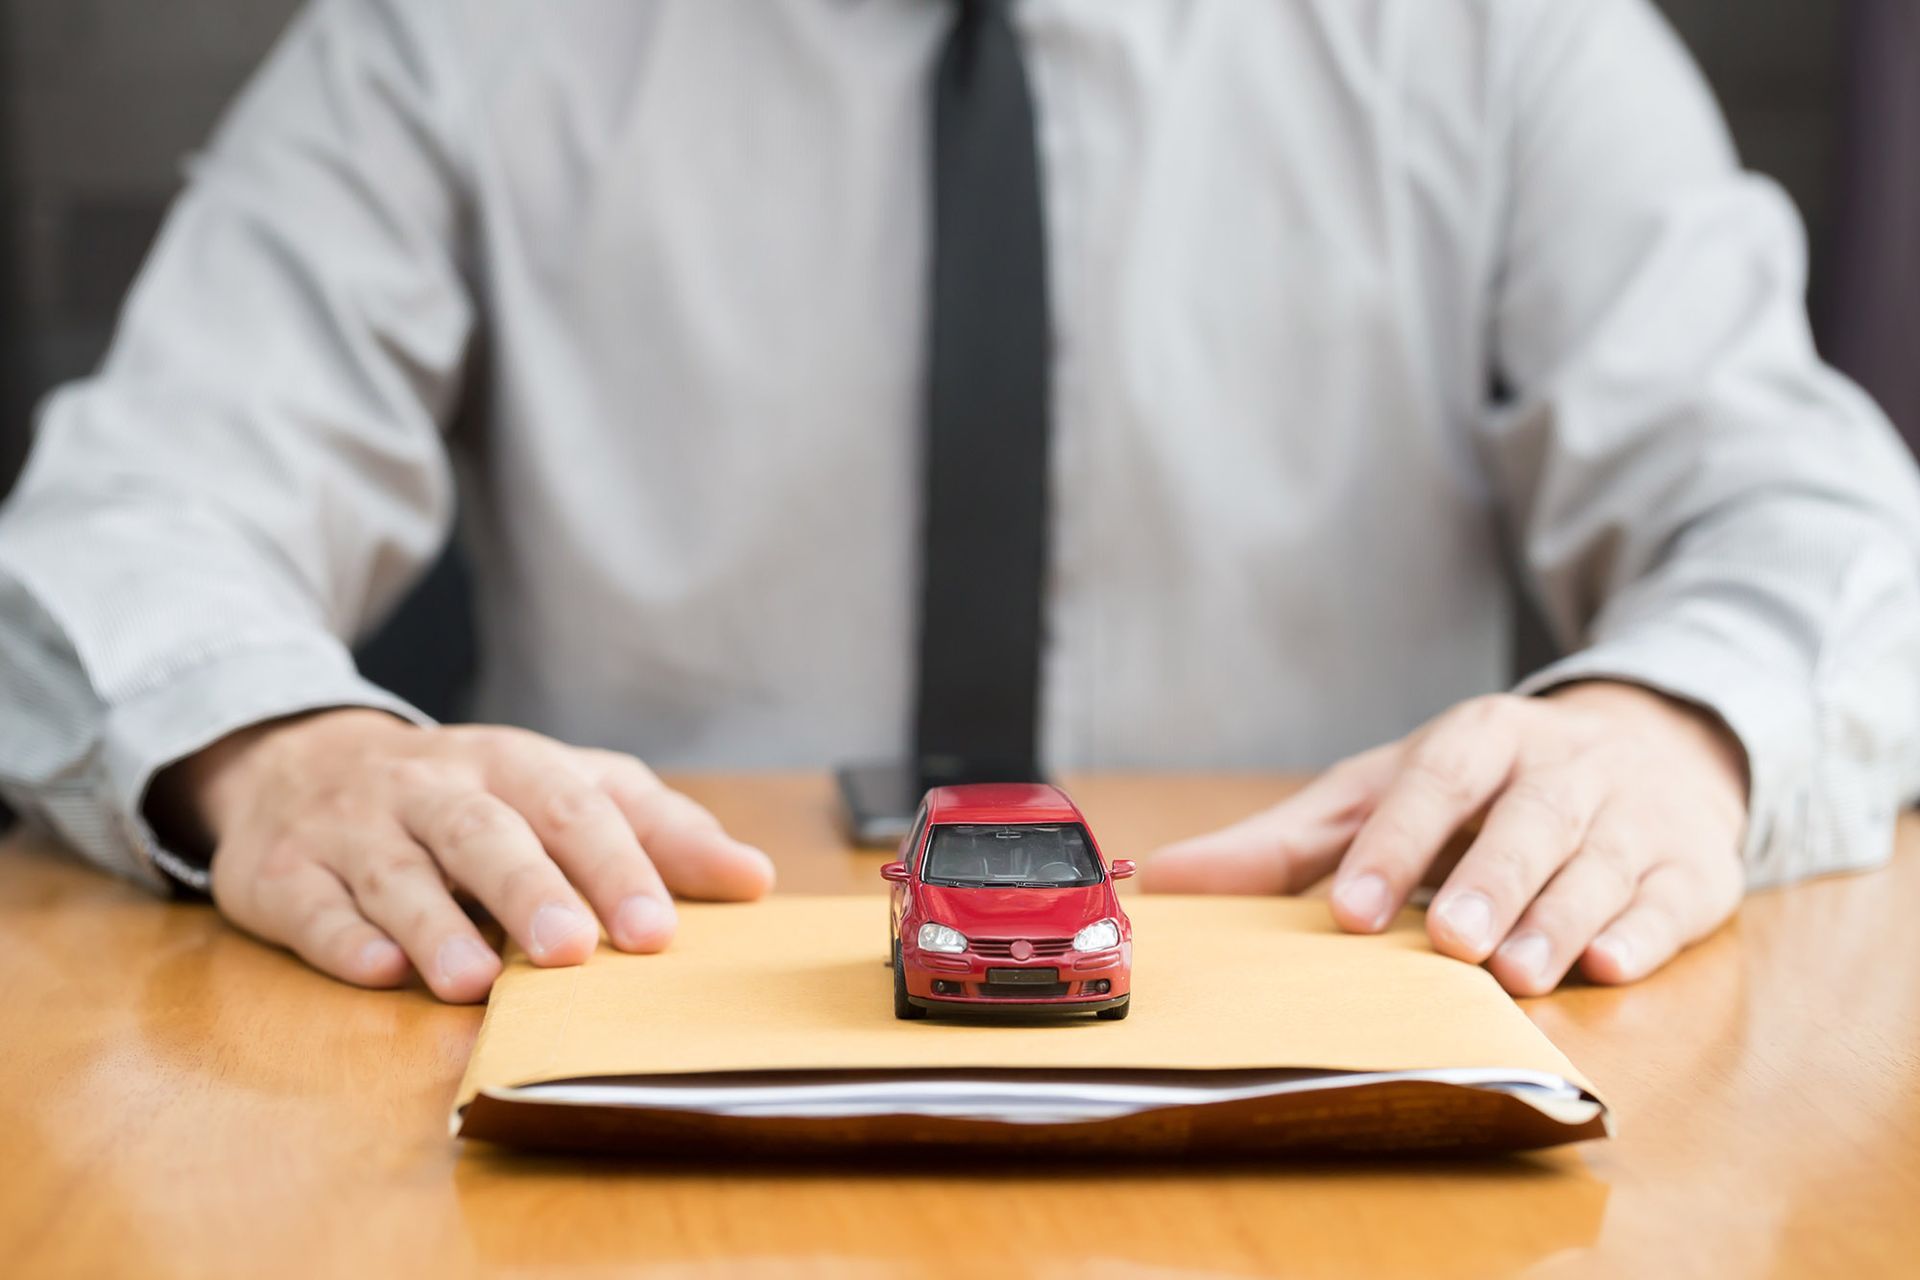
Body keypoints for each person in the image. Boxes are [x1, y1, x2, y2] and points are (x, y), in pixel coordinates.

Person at [2, 0, 1917, 1005]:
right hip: (638, 1020)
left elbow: (1814, 514)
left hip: (1347, 1045)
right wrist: (276, 749)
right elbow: (128, 512)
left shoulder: (1510, 30)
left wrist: (1677, 728)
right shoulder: (449, 29)